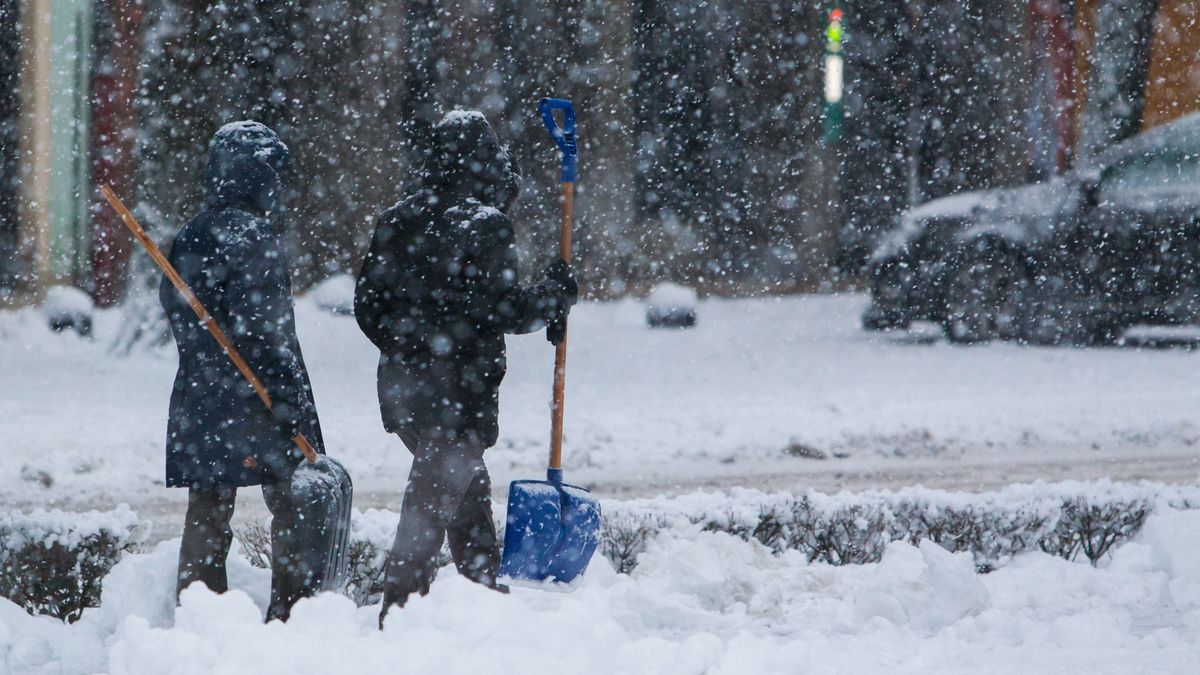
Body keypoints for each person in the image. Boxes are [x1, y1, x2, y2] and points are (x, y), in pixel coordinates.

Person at [355, 111, 578, 622]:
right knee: (427, 513)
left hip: (405, 394)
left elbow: (368, 306)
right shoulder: (485, 225)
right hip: (459, 396)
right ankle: (397, 618)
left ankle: (484, 599)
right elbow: (503, 309)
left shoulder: (397, 219)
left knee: (467, 496)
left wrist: (406, 346)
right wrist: (553, 295)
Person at [161, 120, 324, 622]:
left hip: (202, 393)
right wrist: (284, 395)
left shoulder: (191, 232)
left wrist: (209, 361)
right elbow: (265, 327)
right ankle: (294, 612)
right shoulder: (255, 236)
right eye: (273, 173)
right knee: (293, 496)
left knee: (209, 505)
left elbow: (176, 306)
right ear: (256, 175)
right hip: (256, 396)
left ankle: (201, 610)